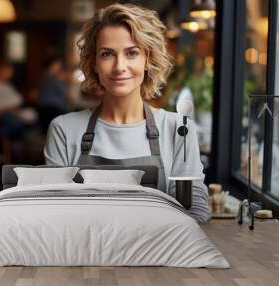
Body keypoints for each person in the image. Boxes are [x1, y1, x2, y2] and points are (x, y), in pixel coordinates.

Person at [43, 3, 209, 223]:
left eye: (131, 53)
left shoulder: (178, 130)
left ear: (147, 59)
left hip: (158, 255)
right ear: (94, 63)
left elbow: (195, 211)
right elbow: (55, 213)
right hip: (86, 255)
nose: (120, 66)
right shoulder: (64, 130)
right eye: (107, 54)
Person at [0, 60, 37, 141]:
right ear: (0, 70)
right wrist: (13, 108)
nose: (10, 76)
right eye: (8, 73)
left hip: (13, 111)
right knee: (17, 123)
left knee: (32, 115)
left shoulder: (6, 84)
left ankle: (24, 143)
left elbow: (18, 98)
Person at [38, 56, 69, 134]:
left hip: (44, 109)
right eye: (58, 64)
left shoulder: (43, 77)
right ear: (52, 65)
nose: (60, 67)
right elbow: (64, 92)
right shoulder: (52, 78)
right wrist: (63, 80)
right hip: (53, 110)